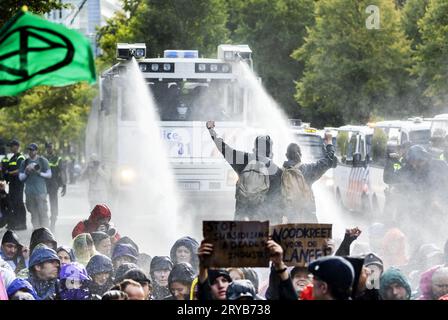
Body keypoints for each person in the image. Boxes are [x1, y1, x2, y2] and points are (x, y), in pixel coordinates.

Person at [206, 120, 283, 222]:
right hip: (263, 222)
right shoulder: (276, 170)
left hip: (241, 219)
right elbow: (278, 201)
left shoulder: (243, 159)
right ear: (270, 152)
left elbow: (223, 148)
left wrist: (211, 130)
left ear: (254, 149)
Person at [281, 133, 337, 223]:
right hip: (308, 220)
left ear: (286, 155)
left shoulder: (280, 173)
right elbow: (330, 160)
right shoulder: (308, 170)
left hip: (289, 221)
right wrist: (329, 142)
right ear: (300, 155)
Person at [19, 143, 52, 229]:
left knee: (43, 213)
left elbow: (49, 174)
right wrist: (26, 172)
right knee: (33, 214)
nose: (30, 152)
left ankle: (45, 231)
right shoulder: (25, 162)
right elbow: (20, 177)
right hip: (29, 192)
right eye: (29, 150)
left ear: (36, 151)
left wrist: (39, 173)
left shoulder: (42, 161)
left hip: (41, 192)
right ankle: (36, 231)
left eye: (32, 150)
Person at [3, 139, 27, 230]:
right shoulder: (12, 157)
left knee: (19, 203)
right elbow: (7, 169)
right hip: (12, 184)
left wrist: (9, 173)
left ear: (16, 146)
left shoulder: (20, 157)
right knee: (12, 203)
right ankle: (14, 223)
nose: (10, 148)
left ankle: (22, 223)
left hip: (18, 184)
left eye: (11, 146)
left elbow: (20, 170)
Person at [44, 143, 67, 232]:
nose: (49, 149)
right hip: (44, 183)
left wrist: (64, 185)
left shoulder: (58, 159)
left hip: (53, 184)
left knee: (53, 204)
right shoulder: (43, 159)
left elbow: (62, 172)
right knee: (43, 203)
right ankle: (44, 224)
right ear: (46, 149)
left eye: (50, 147)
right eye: (48, 148)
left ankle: (52, 224)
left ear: (53, 149)